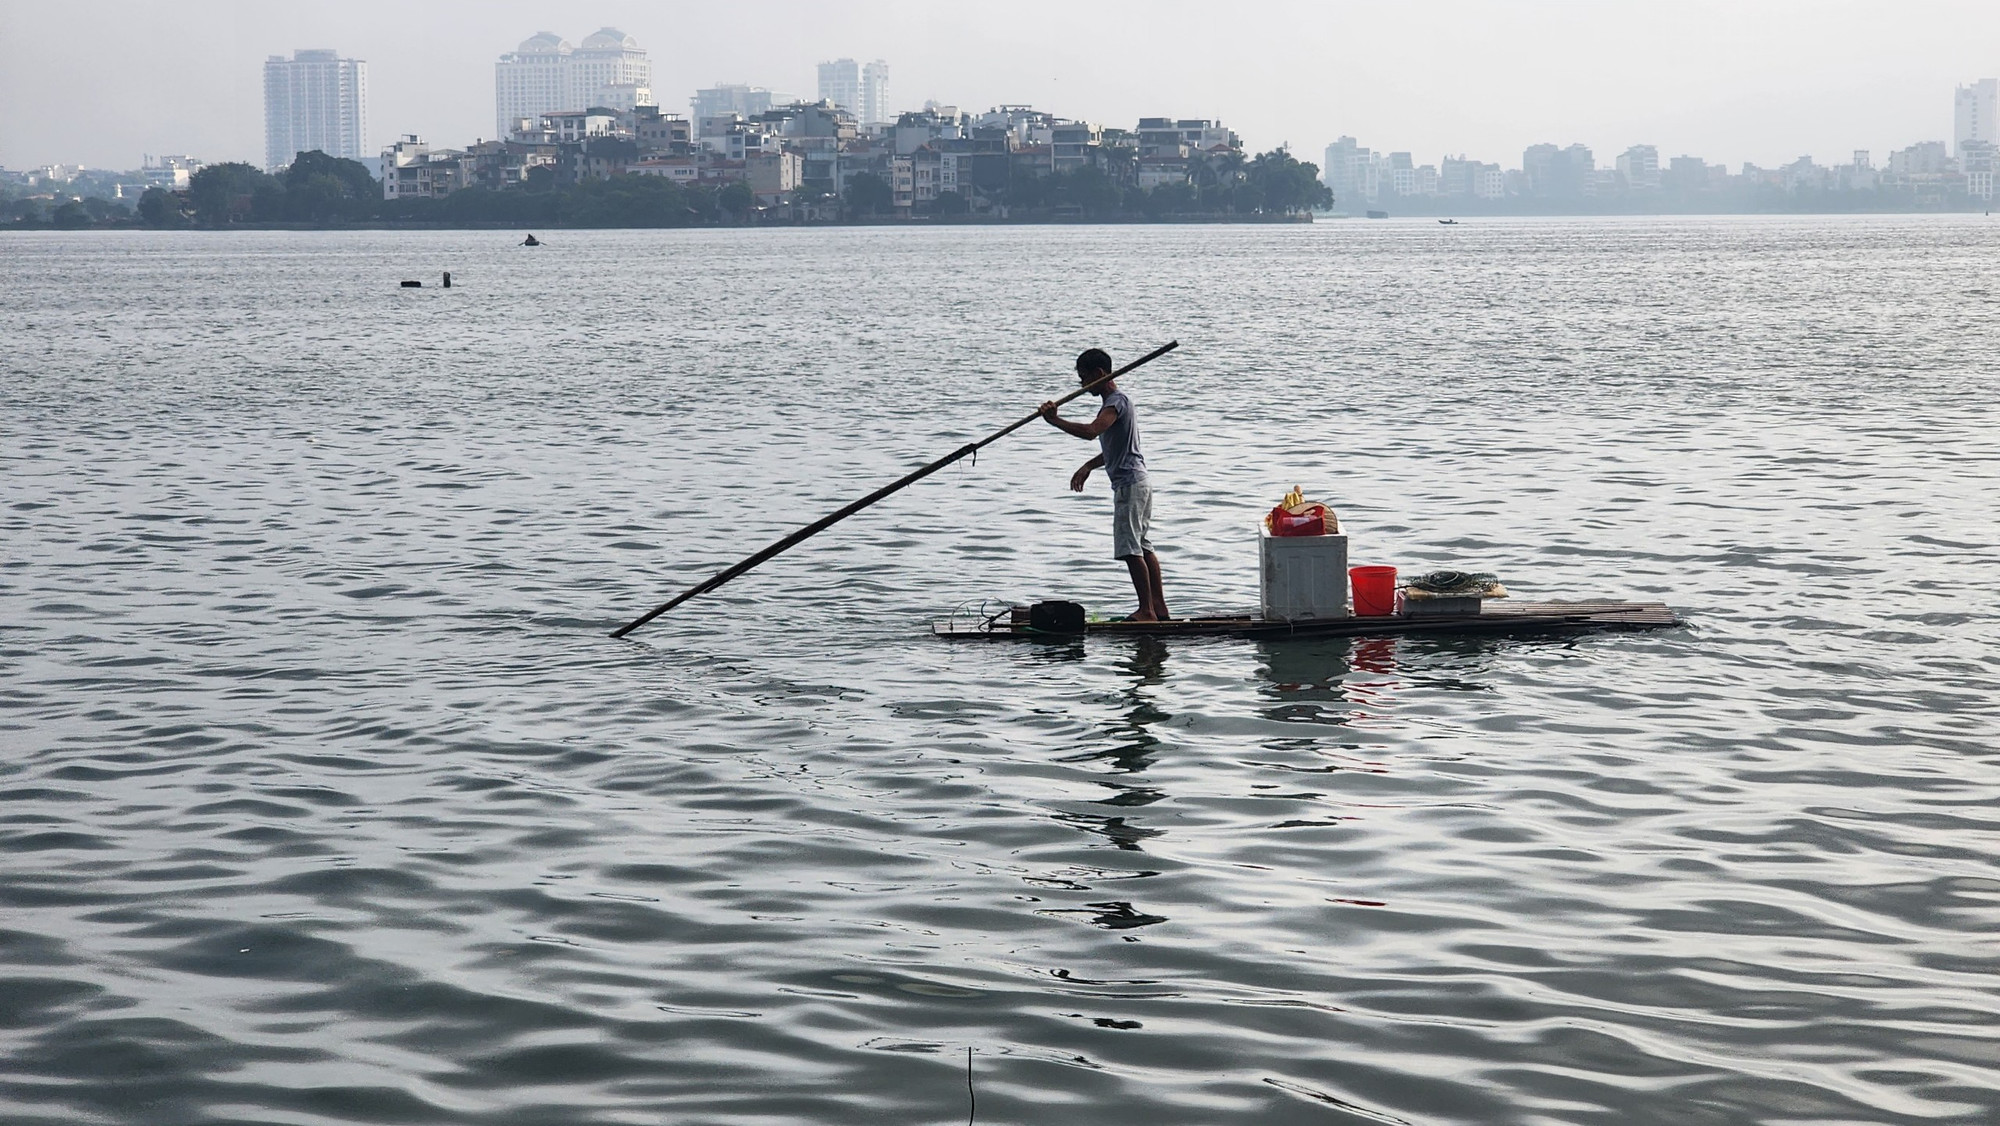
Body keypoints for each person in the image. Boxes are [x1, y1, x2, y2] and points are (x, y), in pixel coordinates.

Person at [1041, 348, 1170, 622]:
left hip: (1130, 485)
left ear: (1099, 375)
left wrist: (1055, 421)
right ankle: (1158, 608)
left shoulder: (1115, 403)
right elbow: (1113, 449)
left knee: (1131, 548)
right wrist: (1088, 465)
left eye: (1084, 378)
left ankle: (1147, 611)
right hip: (1138, 481)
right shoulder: (1119, 403)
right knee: (1143, 546)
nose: (1082, 385)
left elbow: (1092, 431)